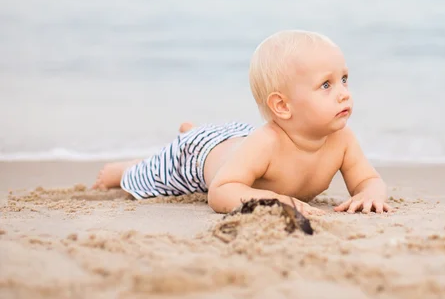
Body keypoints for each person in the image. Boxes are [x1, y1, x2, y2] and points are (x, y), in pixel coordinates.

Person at [93, 30, 391, 216]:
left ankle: (192, 129)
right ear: (282, 106)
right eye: (326, 85)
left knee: (236, 148)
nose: (343, 93)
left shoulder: (342, 139)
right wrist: (274, 199)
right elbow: (221, 191)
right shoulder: (268, 143)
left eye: (344, 79)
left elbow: (368, 180)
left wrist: (370, 195)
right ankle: (124, 169)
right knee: (153, 175)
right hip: (198, 155)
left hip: (239, 138)